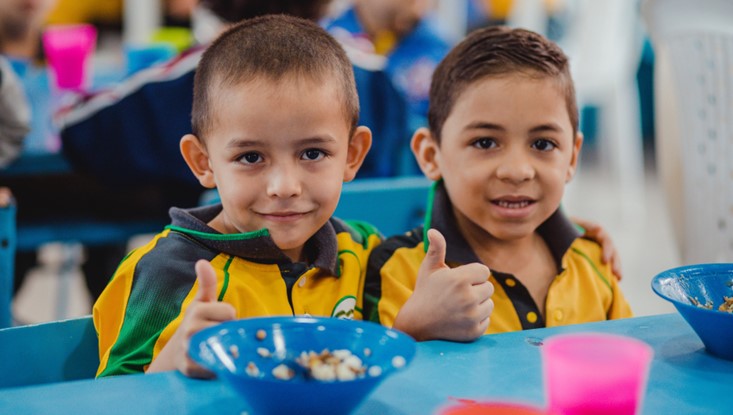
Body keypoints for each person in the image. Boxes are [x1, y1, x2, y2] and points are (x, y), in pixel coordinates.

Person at [92, 15, 377, 378]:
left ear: (352, 155)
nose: (284, 186)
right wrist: (175, 361)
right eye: (251, 157)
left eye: (312, 153)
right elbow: (114, 398)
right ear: (203, 162)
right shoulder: (164, 273)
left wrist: (423, 321)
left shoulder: (362, 249)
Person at [364, 26, 632, 341]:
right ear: (430, 154)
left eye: (543, 144)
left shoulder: (593, 262)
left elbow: (627, 361)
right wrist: (414, 329)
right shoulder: (399, 271)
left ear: (572, 157)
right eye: (486, 143)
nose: (517, 171)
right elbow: (381, 382)